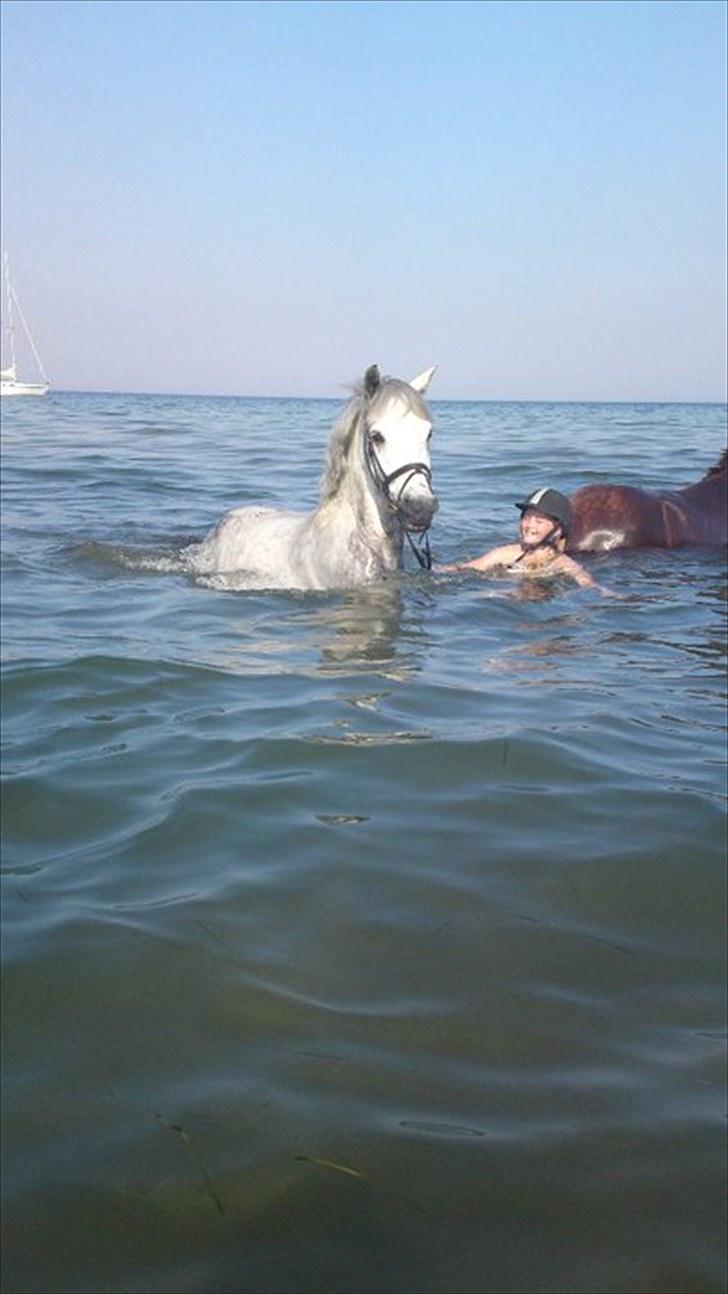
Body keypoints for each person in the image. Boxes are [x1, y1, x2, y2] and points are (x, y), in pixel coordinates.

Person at [439, 487, 611, 593]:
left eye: (539, 521)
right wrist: (438, 569)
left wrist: (606, 593)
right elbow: (470, 568)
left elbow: (587, 582)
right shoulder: (505, 553)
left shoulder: (562, 564)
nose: (529, 525)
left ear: (557, 530)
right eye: (526, 518)